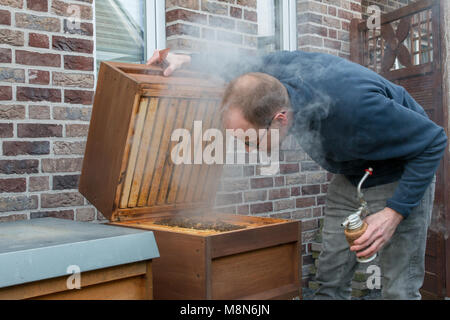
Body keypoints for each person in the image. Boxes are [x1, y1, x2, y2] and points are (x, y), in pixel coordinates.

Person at [147, 49, 447, 299]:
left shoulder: (356, 105)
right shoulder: (271, 79)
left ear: (280, 119)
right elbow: (237, 62)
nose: (249, 149)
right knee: (329, 280)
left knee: (398, 289)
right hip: (351, 174)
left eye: (249, 139)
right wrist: (186, 58)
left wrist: (393, 213)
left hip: (401, 172)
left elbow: (434, 140)